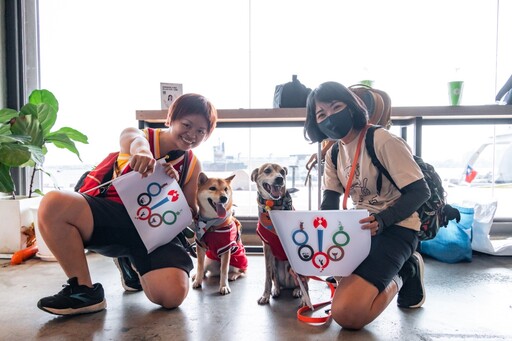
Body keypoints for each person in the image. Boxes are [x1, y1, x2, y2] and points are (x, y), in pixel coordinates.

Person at [36, 93, 218, 316]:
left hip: (154, 232)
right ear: (170, 119)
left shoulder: (191, 164)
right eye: (186, 125)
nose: (192, 135)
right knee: (53, 203)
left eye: (201, 131)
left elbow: (188, 211)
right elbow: (134, 139)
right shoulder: (140, 136)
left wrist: (174, 189)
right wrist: (142, 152)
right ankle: (84, 290)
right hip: (113, 217)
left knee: (173, 295)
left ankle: (132, 265)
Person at [303, 81, 430, 330]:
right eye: (321, 114)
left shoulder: (381, 140)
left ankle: (406, 271)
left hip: (397, 227)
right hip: (361, 228)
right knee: (334, 269)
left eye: (336, 107)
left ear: (351, 107)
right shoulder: (334, 154)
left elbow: (420, 191)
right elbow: (330, 200)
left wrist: (383, 220)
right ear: (315, 122)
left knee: (348, 313)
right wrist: (315, 242)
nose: (330, 117)